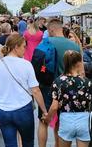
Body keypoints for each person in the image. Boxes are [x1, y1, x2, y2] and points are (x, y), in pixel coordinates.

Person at [0, 34, 47, 147]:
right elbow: (35, 90)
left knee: (10, 143)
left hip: (3, 109)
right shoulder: (26, 65)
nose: (25, 50)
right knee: (28, 142)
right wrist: (44, 110)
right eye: (24, 47)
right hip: (23, 108)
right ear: (16, 47)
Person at [38, 18, 82, 147]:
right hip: (68, 88)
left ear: (51, 29)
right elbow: (80, 70)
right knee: (60, 122)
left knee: (43, 121)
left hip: (47, 86)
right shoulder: (74, 46)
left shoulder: (45, 42)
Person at [45, 50, 92, 147]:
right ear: (79, 63)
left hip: (66, 119)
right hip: (83, 120)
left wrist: (48, 119)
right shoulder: (87, 82)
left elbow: (54, 107)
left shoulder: (58, 82)